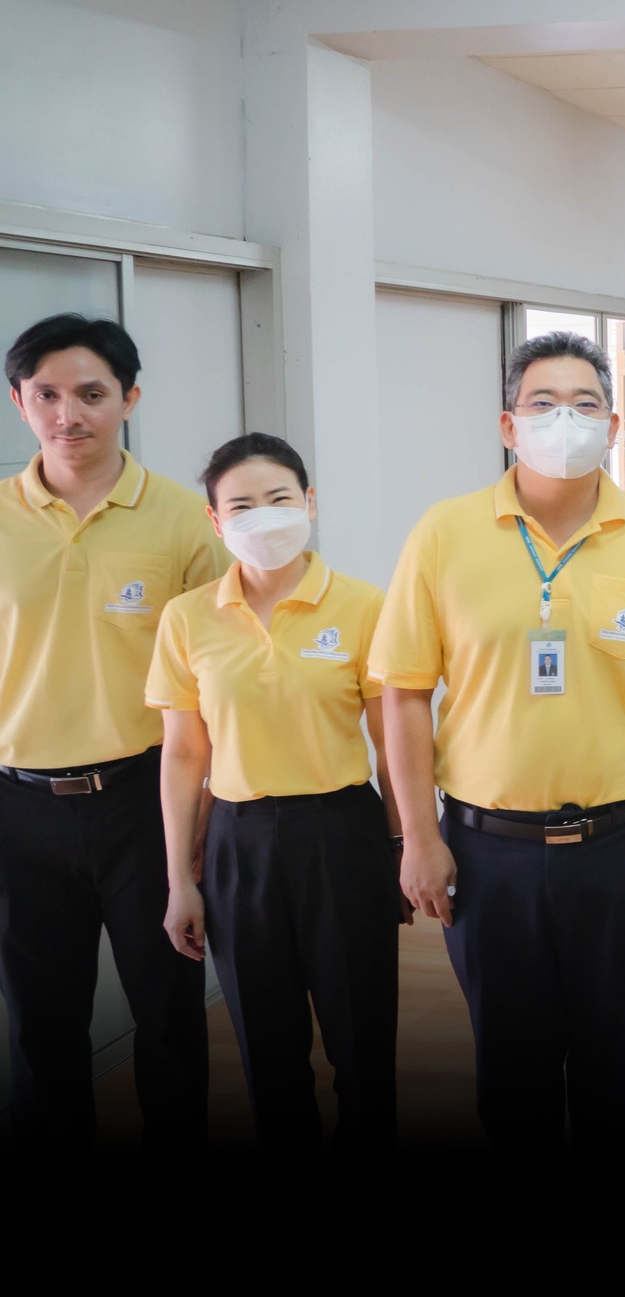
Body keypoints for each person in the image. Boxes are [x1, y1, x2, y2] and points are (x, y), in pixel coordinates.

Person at [369, 330, 625, 1149]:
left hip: (616, 843)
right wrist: (417, 836)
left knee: (611, 1068)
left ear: (611, 427)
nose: (563, 419)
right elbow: (404, 694)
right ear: (507, 424)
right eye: (542, 403)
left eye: (584, 404)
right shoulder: (444, 533)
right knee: (511, 1073)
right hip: (485, 848)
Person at [0, 313, 224, 1147]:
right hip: (18, 807)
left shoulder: (182, 519)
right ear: (20, 402)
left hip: (145, 799)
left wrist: (202, 821)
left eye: (92, 393)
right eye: (47, 394)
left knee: (168, 1012)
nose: (70, 414)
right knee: (38, 1021)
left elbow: (216, 682)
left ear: (129, 398)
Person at [147, 433, 404, 1150]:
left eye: (279, 499)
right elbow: (183, 753)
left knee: (363, 1045)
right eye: (242, 505)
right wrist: (179, 879)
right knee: (268, 1050)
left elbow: (394, 744)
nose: (263, 517)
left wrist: (406, 842)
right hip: (237, 841)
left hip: (342, 831)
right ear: (214, 520)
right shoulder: (188, 616)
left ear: (310, 504)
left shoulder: (363, 605)